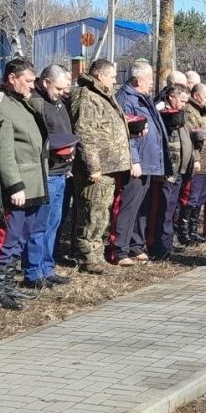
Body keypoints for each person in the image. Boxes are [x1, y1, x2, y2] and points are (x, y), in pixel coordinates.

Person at [0, 58, 51, 307]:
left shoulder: (21, 103)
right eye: (28, 81)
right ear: (12, 79)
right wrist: (14, 185)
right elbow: (3, 150)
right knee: (7, 237)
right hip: (18, 185)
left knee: (21, 237)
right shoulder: (0, 106)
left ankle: (9, 286)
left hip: (33, 180)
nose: (32, 86)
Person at [69, 59, 131, 274]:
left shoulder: (103, 96)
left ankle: (96, 254)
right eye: (112, 77)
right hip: (97, 169)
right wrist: (92, 166)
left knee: (101, 213)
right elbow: (85, 133)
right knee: (92, 214)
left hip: (109, 166)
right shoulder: (87, 97)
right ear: (100, 75)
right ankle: (88, 258)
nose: (115, 81)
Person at [112, 61, 170, 266]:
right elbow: (125, 133)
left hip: (150, 162)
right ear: (137, 79)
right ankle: (120, 250)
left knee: (142, 208)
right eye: (149, 79)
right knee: (129, 207)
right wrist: (133, 159)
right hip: (137, 163)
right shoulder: (125, 98)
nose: (152, 83)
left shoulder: (144, 98)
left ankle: (136, 245)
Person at [27, 64, 75, 288]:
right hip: (46, 172)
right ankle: (33, 271)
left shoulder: (58, 102)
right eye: (58, 88)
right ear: (46, 82)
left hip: (61, 171)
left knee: (54, 222)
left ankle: (47, 266)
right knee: (40, 224)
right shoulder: (37, 103)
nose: (62, 93)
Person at [151, 84, 194, 259]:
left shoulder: (180, 114)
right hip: (168, 171)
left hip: (180, 170)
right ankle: (160, 247)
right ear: (172, 97)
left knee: (172, 209)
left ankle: (167, 244)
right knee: (164, 210)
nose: (184, 104)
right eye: (182, 100)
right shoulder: (162, 111)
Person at [179, 83, 206, 245]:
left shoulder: (203, 112)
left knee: (200, 198)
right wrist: (196, 158)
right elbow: (191, 137)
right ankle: (184, 233)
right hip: (197, 162)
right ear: (198, 96)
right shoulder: (189, 111)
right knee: (190, 198)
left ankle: (193, 231)